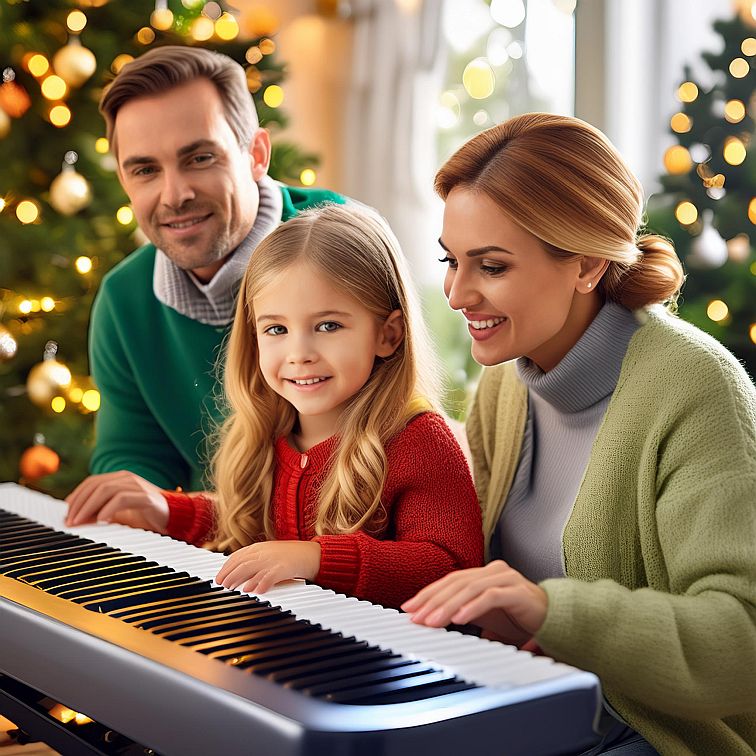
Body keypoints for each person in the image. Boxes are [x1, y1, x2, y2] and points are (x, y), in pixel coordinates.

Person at [401, 113, 756, 753]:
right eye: (451, 261)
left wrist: (552, 611)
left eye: (492, 266)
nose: (456, 294)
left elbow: (742, 640)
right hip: (536, 704)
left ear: (588, 264)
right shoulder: (508, 384)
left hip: (646, 732)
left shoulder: (695, 387)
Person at [66, 204, 483, 609]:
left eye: (328, 326)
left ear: (388, 335)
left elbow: (449, 567)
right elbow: (247, 527)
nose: (299, 353)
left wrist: (315, 558)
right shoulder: (271, 430)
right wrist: (166, 508)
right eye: (277, 329)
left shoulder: (419, 440)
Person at [89, 45, 345, 491]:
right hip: (214, 545)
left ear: (256, 154)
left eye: (199, 158)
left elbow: (389, 443)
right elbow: (132, 452)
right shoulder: (123, 299)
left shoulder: (344, 246)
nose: (174, 195)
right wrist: (134, 493)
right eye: (146, 170)